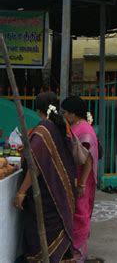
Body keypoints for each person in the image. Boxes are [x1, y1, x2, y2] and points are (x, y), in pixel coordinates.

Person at [14, 91, 76, 262]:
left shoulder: (43, 130)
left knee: (41, 236)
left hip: (47, 192)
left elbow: (35, 165)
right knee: (57, 234)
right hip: (61, 190)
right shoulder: (60, 126)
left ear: (38, 110)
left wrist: (21, 192)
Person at [61, 96, 99, 262]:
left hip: (82, 180)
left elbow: (88, 159)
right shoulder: (75, 126)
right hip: (75, 178)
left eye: (65, 112)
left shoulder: (84, 130)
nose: (63, 115)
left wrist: (82, 183)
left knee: (80, 215)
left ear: (72, 113)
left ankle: (79, 253)